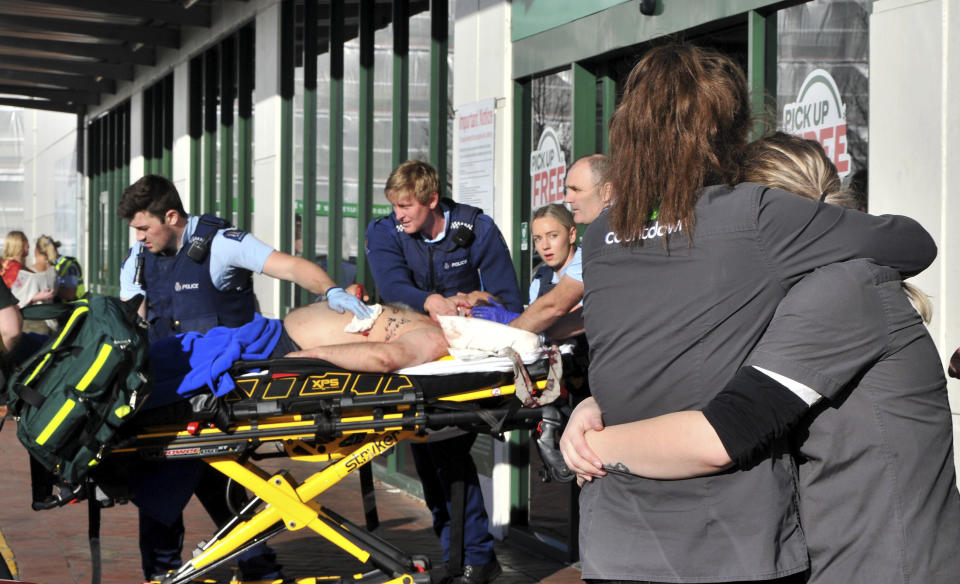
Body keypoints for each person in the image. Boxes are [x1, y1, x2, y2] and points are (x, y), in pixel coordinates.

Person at [568, 44, 935, 584]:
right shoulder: (755, 215)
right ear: (730, 131)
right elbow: (912, 244)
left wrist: (594, 407)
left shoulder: (603, 235)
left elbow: (648, 345)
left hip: (614, 539)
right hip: (725, 544)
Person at [116, 174, 369, 582]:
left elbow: (290, 266)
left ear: (172, 216)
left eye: (145, 227)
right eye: (135, 229)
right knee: (201, 474)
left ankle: (173, 570)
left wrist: (331, 291)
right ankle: (245, 562)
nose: (139, 236)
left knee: (175, 475)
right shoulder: (139, 259)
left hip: (224, 387)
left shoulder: (221, 243)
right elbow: (133, 320)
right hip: (172, 390)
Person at [365, 160, 520, 583]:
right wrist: (433, 300)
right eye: (394, 206)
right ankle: (461, 555)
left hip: (466, 364)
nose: (399, 214)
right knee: (427, 453)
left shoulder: (476, 229)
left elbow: (509, 301)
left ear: (432, 200)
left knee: (447, 450)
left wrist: (477, 301)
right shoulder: (385, 233)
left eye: (406, 206)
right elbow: (393, 287)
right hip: (415, 359)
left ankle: (472, 559)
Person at [472, 154, 612, 338]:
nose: (568, 199)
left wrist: (510, 331)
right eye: (537, 238)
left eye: (576, 189)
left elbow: (555, 306)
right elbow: (585, 318)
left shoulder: (605, 235)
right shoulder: (540, 278)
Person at [34, 235, 84, 302]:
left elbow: (70, 295)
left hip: (71, 308)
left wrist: (50, 286)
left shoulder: (69, 266)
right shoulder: (51, 266)